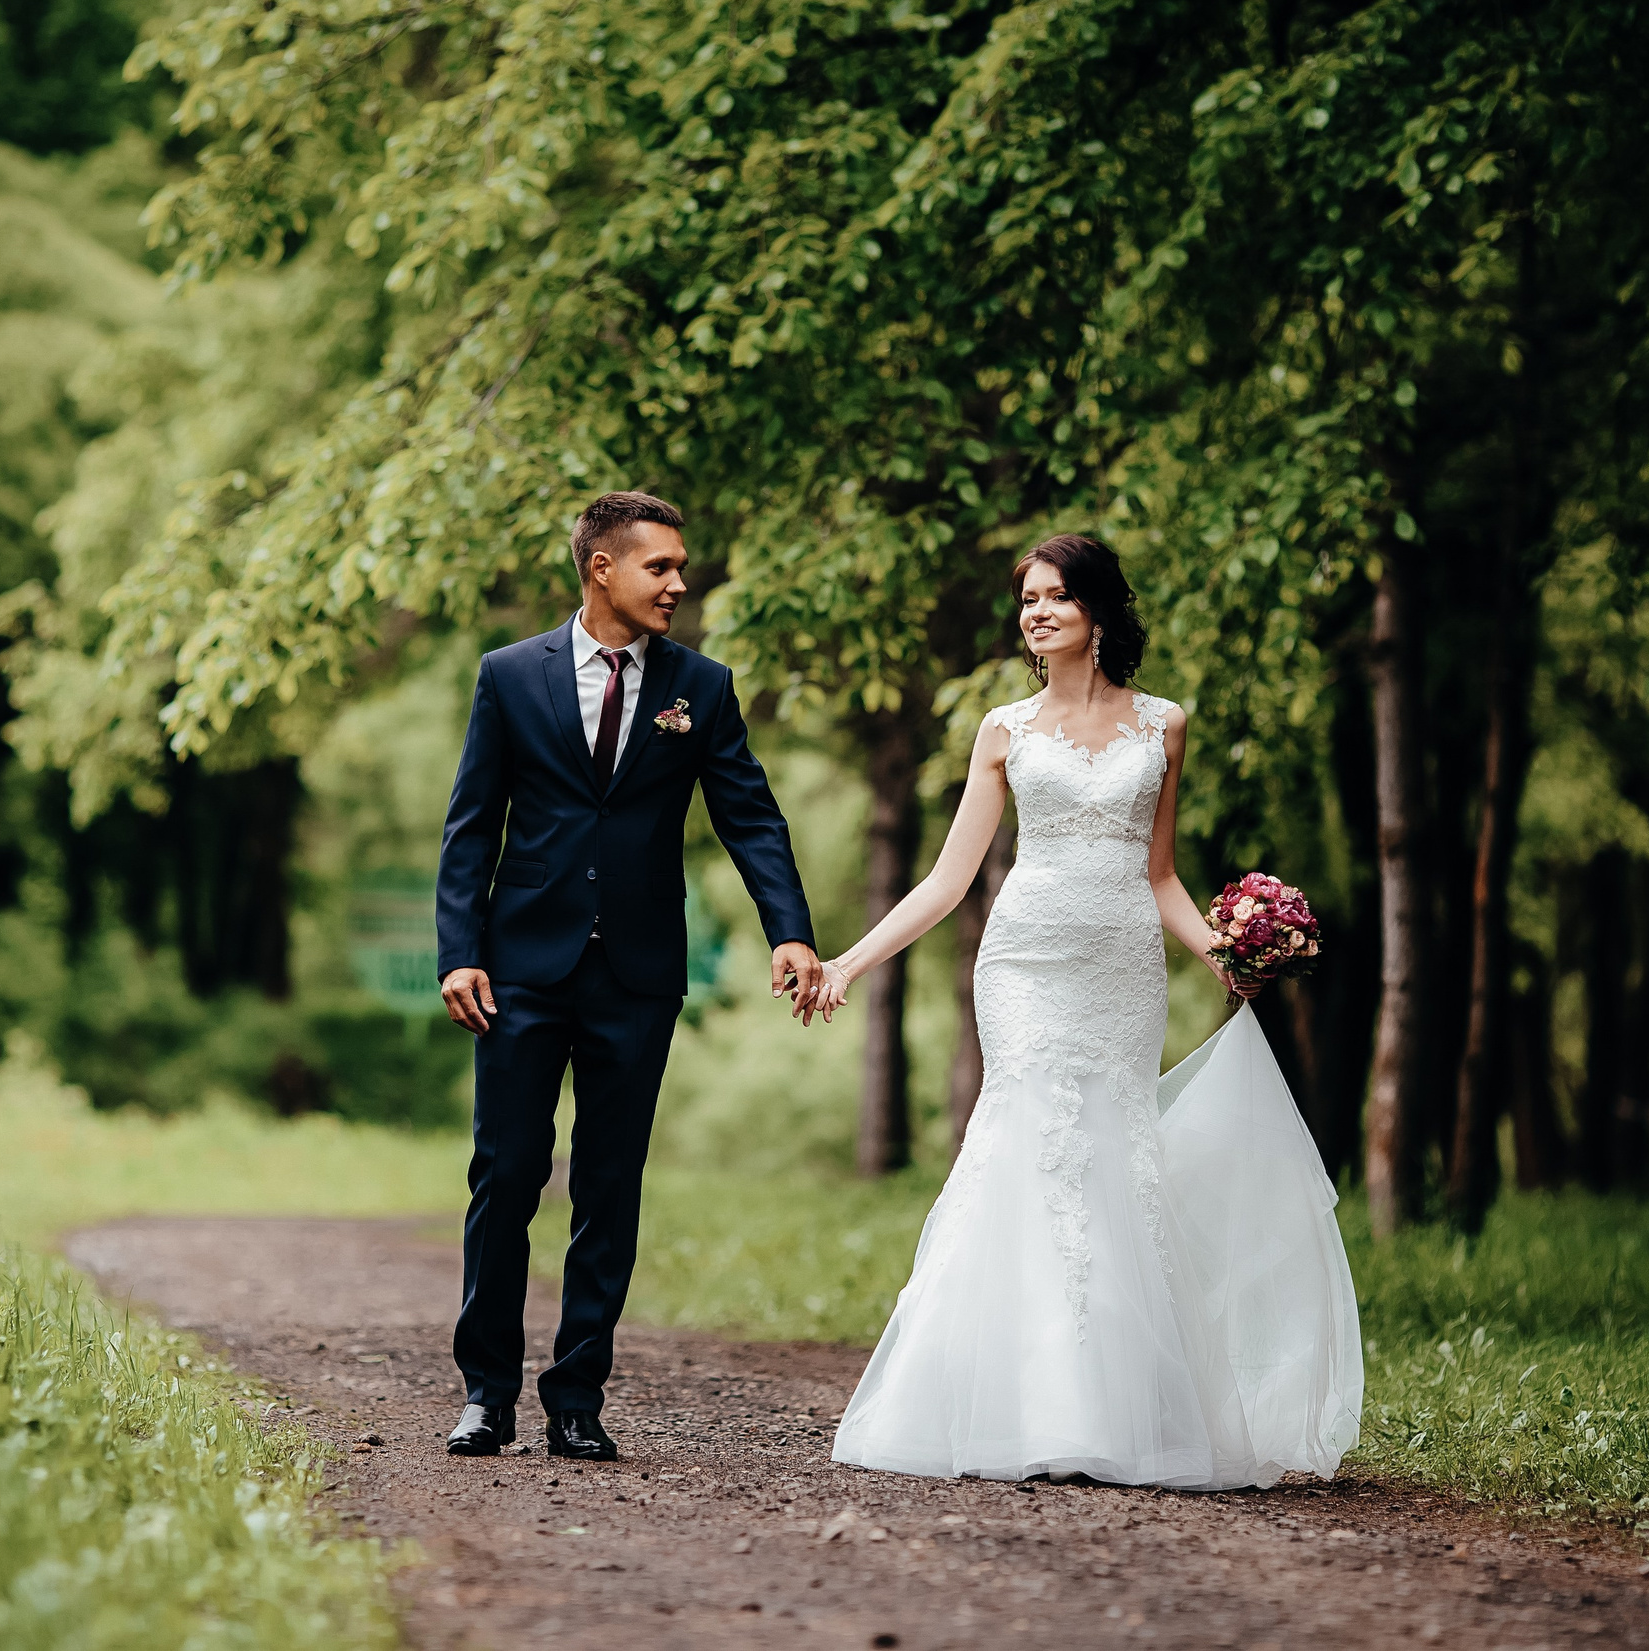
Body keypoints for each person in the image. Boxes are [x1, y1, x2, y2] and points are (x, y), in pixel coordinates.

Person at [798, 532, 1362, 1488]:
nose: (1038, 612)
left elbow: (1162, 876)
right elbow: (949, 877)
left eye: (1057, 595)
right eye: (1028, 599)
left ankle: (1118, 1404)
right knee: (1030, 1144)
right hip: (1023, 964)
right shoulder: (1003, 731)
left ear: (1098, 609)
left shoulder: (1164, 726)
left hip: (1122, 970)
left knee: (1115, 1156)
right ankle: (1026, 1399)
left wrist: (1228, 949)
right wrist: (851, 960)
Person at [435, 490, 821, 1462]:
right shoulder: (508, 676)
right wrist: (459, 951)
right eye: (661, 567)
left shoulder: (702, 686)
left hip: (638, 975)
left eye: (680, 567)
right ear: (600, 567)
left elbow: (751, 816)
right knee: (506, 1177)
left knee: (610, 1187)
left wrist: (790, 931)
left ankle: (576, 1399)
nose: (679, 584)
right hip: (519, 969)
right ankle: (485, 1394)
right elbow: (471, 825)